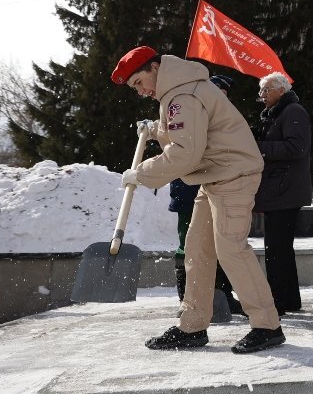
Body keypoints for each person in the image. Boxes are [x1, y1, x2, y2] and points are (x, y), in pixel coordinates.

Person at [111, 46, 284, 353]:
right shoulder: (177, 92)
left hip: (233, 175)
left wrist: (141, 173)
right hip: (214, 176)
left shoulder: (182, 96)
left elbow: (185, 153)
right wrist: (155, 131)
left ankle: (267, 325)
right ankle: (192, 326)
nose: (140, 91)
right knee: (198, 249)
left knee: (231, 248)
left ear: (153, 68)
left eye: (139, 82)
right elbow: (189, 133)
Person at [168, 74, 243, 317]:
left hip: (218, 189)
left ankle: (223, 296)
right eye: (218, 93)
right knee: (188, 246)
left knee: (220, 245)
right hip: (188, 190)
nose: (222, 99)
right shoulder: (189, 114)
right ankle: (186, 300)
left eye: (225, 95)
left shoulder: (225, 121)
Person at [253, 71, 312, 316]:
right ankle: (288, 300)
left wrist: (260, 148)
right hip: (279, 191)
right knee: (280, 249)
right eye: (261, 91)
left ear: (281, 90)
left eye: (266, 90)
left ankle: (278, 301)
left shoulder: (293, 112)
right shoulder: (278, 113)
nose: (262, 95)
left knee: (277, 250)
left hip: (284, 192)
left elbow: (296, 147)